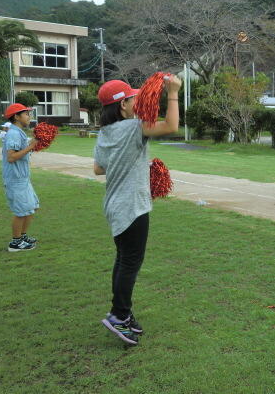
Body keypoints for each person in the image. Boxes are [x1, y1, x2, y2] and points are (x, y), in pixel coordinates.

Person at [94, 75, 181, 346]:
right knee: (130, 262)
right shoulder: (133, 127)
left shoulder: (104, 132)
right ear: (123, 105)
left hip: (114, 205)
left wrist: (135, 163)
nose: (137, 102)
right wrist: (173, 92)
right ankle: (119, 315)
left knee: (123, 260)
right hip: (132, 206)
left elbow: (98, 168)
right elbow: (171, 126)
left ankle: (122, 312)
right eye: (133, 99)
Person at [2, 103, 39, 252]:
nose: (29, 117)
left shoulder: (19, 132)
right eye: (26, 114)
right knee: (21, 211)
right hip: (15, 179)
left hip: (22, 178)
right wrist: (31, 146)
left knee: (31, 207)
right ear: (16, 117)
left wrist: (34, 144)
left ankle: (22, 237)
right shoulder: (13, 133)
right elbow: (11, 157)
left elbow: (21, 151)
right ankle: (15, 243)